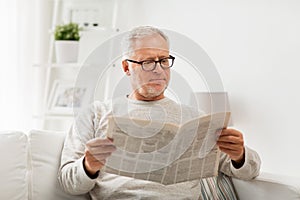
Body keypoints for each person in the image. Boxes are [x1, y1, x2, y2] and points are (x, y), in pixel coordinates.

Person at [58, 26, 261, 200]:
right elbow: (68, 182)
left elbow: (251, 171)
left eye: (164, 60)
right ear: (126, 67)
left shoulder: (195, 119)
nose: (158, 70)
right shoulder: (96, 113)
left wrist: (239, 155)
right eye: (147, 62)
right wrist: (88, 165)